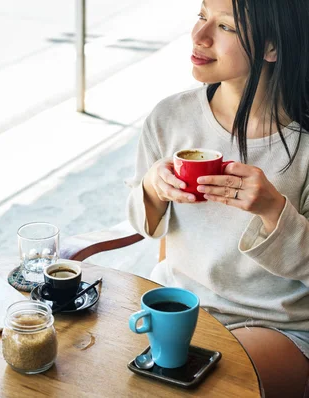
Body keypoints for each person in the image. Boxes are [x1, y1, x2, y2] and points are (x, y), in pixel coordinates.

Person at [126, 0, 309, 396]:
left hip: (273, 325)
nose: (199, 36)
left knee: (192, 389)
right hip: (176, 305)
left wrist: (273, 211)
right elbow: (143, 225)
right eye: (201, 16)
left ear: (272, 47)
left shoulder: (304, 146)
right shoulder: (170, 117)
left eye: (225, 27)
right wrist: (153, 189)